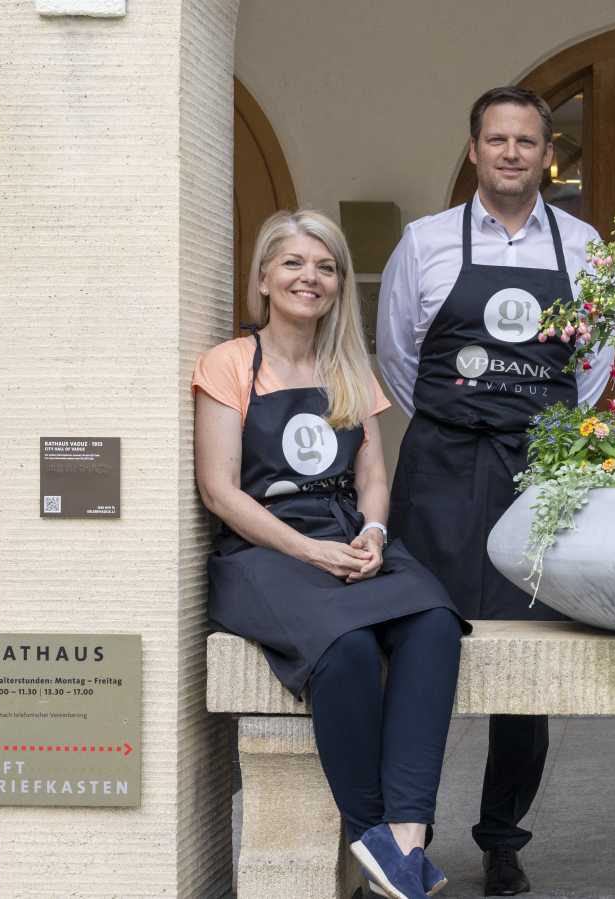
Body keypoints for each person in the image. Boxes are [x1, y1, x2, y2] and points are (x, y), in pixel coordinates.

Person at [375, 86, 614, 897]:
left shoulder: (584, 246)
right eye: (497, 139)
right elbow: (398, 358)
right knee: (419, 645)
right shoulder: (425, 241)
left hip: (539, 472)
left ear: (548, 155)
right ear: (474, 150)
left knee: (528, 658)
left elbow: (595, 367)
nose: (512, 153)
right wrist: (461, 420)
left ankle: (503, 838)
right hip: (440, 469)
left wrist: (536, 432)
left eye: (526, 141)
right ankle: (407, 830)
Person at [196, 210, 470, 899]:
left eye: (325, 267)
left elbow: (373, 475)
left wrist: (373, 533)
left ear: (339, 283)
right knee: (345, 646)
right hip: (262, 547)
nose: (309, 278)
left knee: (435, 619)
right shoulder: (228, 364)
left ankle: (406, 834)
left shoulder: (348, 366)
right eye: (292, 263)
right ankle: (372, 831)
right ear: (264, 278)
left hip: (344, 530)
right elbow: (220, 492)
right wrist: (307, 551)